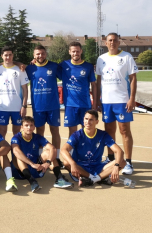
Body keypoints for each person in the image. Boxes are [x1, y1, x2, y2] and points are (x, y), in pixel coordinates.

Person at [95, 32, 138, 175]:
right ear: (105, 43)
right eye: (109, 40)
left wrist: (132, 98)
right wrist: (98, 100)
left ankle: (129, 162)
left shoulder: (127, 57)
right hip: (106, 101)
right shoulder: (101, 59)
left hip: (122, 101)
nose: (112, 42)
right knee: (109, 131)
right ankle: (111, 158)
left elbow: (133, 79)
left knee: (124, 131)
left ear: (118, 42)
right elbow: (98, 81)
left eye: (115, 40)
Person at [61, 110, 128, 187]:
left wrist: (116, 166)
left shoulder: (103, 135)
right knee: (66, 162)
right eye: (86, 119)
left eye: (91, 120)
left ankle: (93, 179)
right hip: (80, 167)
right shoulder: (77, 135)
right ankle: (98, 178)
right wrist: (73, 163)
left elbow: (119, 151)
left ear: (97, 122)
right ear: (83, 120)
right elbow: (63, 150)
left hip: (97, 166)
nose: (87, 122)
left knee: (122, 162)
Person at [11, 116, 73, 192]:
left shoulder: (37, 137)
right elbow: (16, 151)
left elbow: (52, 148)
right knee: (18, 157)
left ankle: (60, 179)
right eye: (26, 125)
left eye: (31, 125)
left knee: (48, 152)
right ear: (21, 127)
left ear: (34, 127)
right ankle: (32, 182)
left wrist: (48, 162)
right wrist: (31, 164)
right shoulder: (16, 138)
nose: (29, 127)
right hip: (20, 172)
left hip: (37, 168)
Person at [25, 45, 62, 165]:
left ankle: (56, 157)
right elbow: (15, 64)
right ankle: (40, 156)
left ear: (46, 54)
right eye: (38, 54)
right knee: (39, 131)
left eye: (42, 53)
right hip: (38, 106)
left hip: (53, 106)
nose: (40, 56)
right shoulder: (30, 68)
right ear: (34, 55)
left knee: (54, 131)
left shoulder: (54, 66)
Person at [59, 41, 97, 137]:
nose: (75, 53)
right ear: (69, 52)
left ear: (81, 51)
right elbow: (47, 66)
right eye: (73, 51)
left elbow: (94, 85)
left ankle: (84, 151)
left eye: (77, 51)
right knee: (72, 131)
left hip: (85, 104)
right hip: (70, 105)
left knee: (86, 130)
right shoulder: (64, 65)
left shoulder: (88, 66)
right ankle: (71, 152)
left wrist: (95, 102)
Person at [0, 46, 28, 139]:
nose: (8, 57)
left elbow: (25, 89)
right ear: (2, 56)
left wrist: (24, 106)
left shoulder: (20, 70)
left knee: (16, 132)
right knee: (2, 133)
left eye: (10, 55)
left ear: (13, 55)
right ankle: (3, 154)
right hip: (2, 107)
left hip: (17, 108)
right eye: (6, 55)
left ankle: (15, 153)